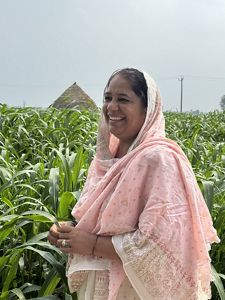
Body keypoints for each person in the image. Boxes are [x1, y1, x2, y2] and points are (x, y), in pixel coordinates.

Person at [48, 68, 219, 300]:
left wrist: (91, 244)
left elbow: (158, 243)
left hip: (135, 290)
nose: (111, 107)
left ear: (148, 109)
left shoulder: (158, 160)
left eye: (123, 99)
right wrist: (68, 234)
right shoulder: (107, 160)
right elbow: (104, 221)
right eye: (107, 98)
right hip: (102, 286)